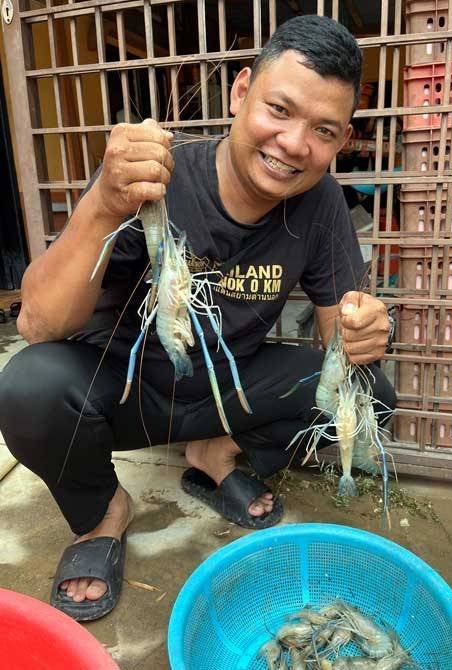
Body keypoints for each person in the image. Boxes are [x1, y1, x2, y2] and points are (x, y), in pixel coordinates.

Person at [0, 15, 395, 621]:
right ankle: (102, 511)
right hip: (126, 389)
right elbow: (38, 324)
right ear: (241, 94)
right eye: (279, 110)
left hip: (225, 387)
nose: (294, 143)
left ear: (340, 140)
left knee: (373, 391)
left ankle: (214, 454)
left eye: (323, 130)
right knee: (29, 386)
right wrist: (104, 204)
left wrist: (361, 333)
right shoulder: (154, 176)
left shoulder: (321, 204)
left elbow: (335, 339)